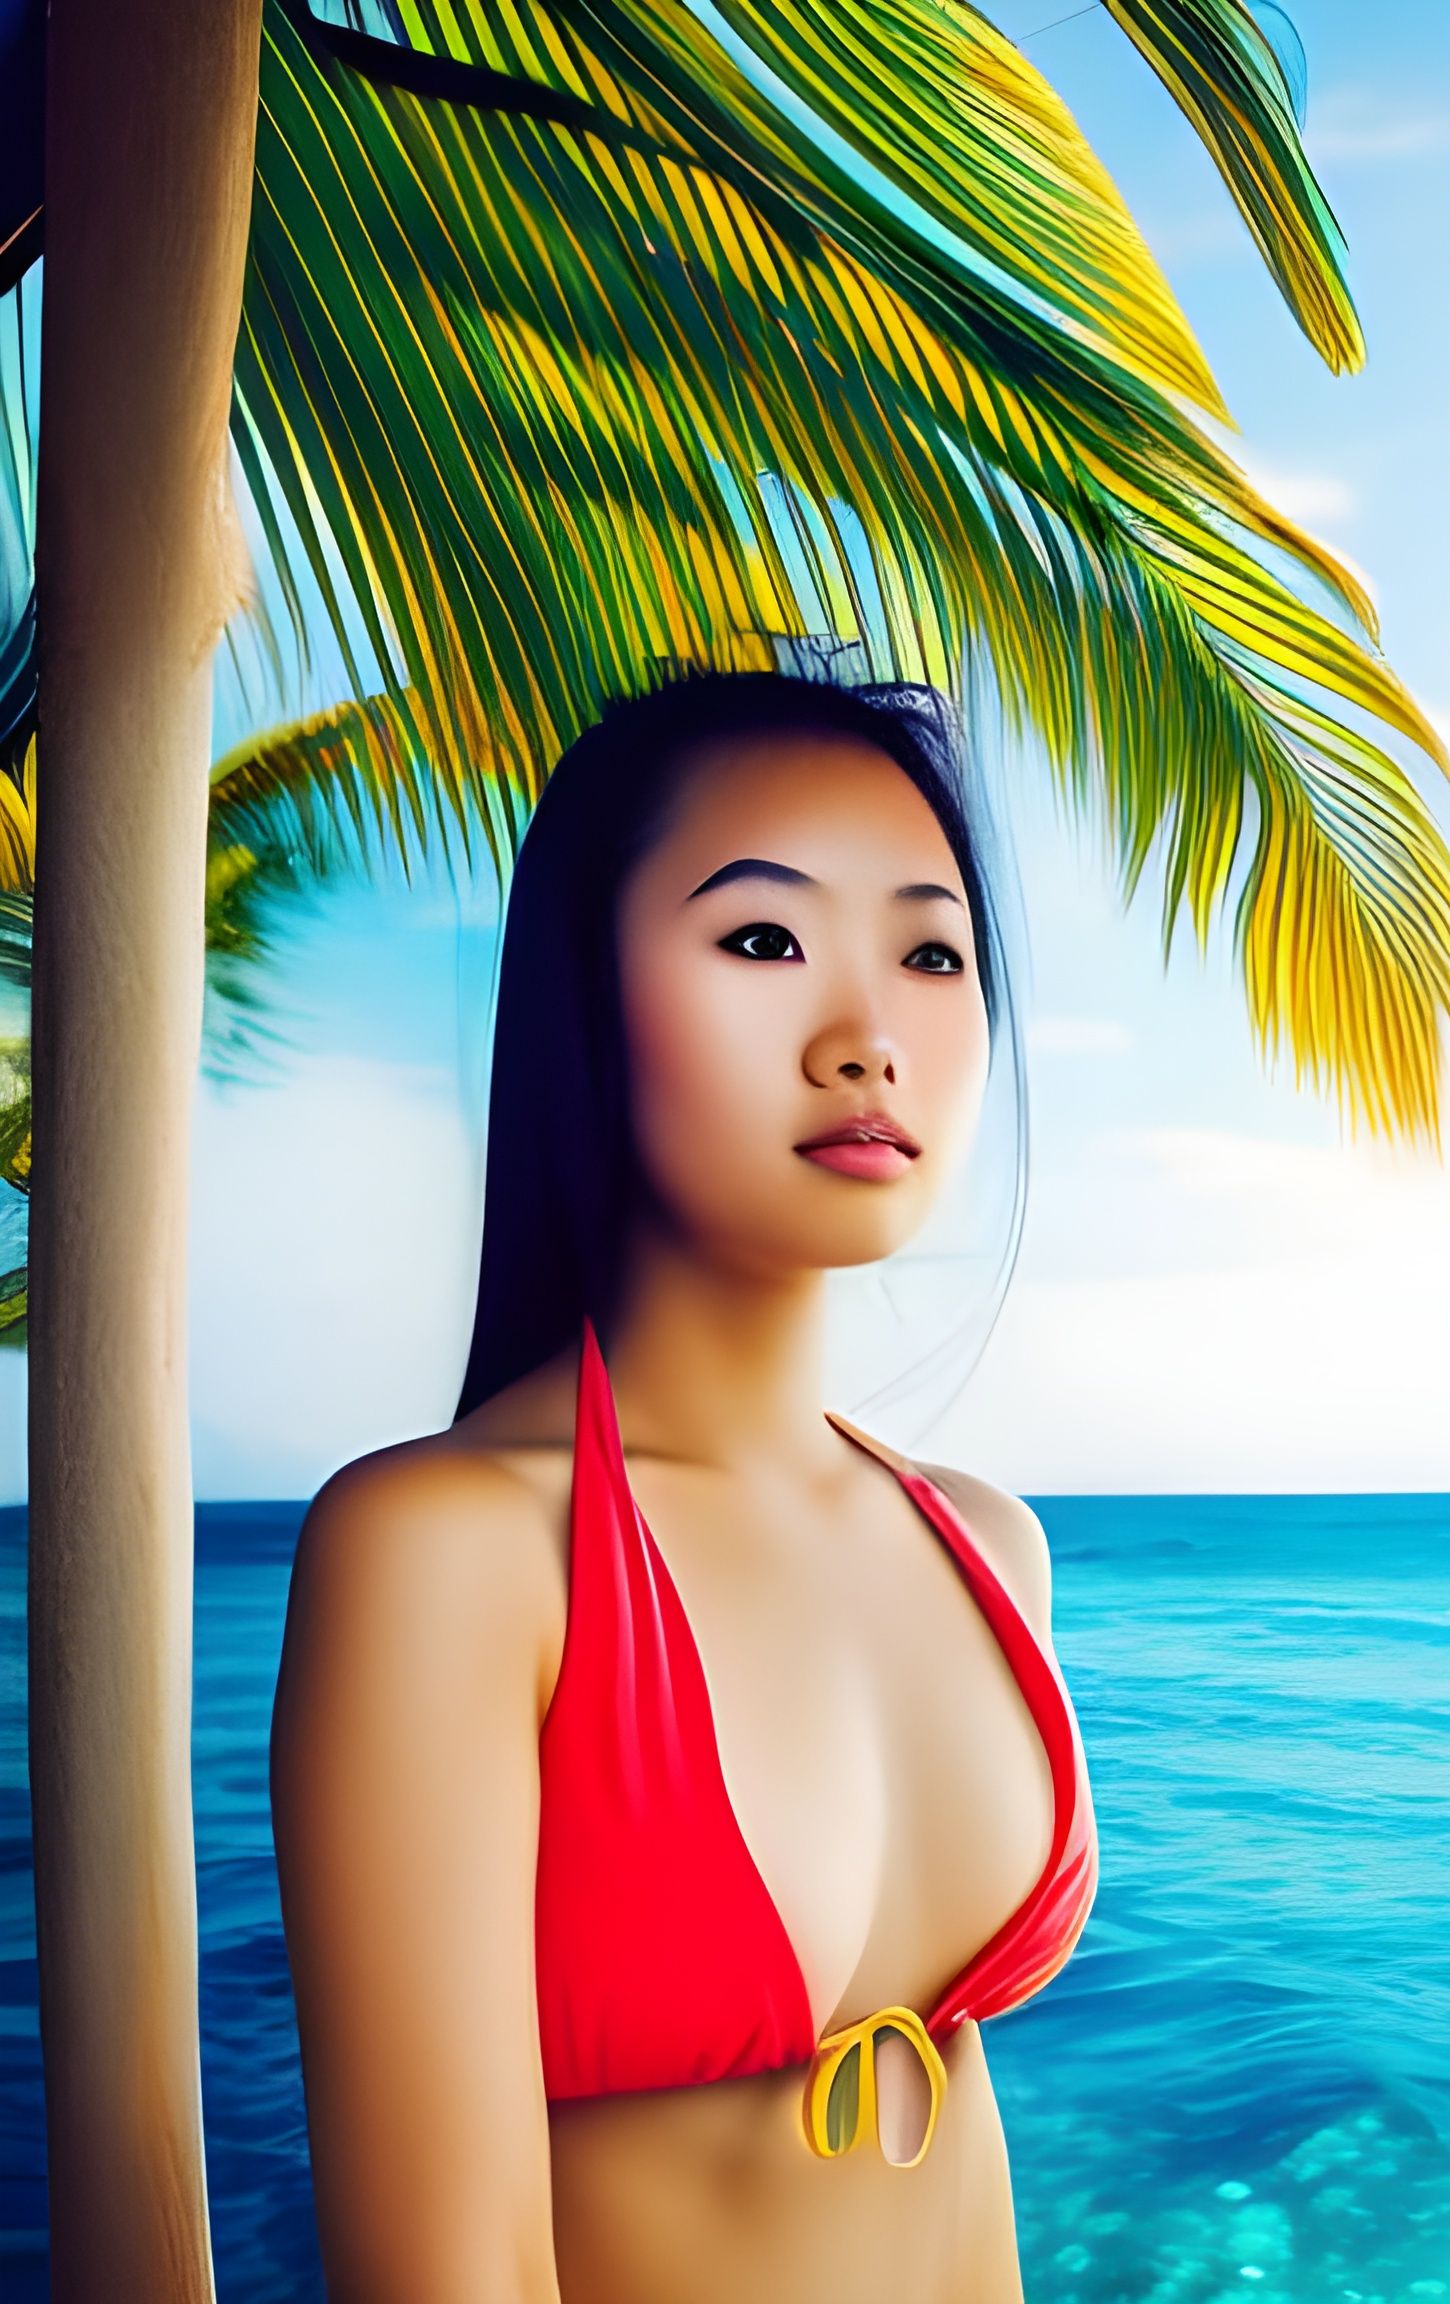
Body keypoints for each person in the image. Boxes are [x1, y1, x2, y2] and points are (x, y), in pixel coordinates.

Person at [268, 667, 1099, 2304]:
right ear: (587, 1001)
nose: (870, 1038)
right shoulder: (449, 1554)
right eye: (765, 941)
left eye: (932, 952)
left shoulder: (990, 1547)